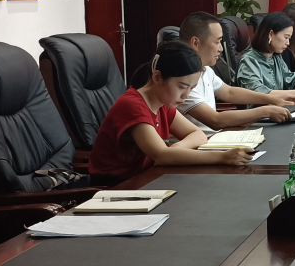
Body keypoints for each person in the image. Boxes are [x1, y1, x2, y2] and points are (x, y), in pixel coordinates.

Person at [89, 42, 253, 182]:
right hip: (118, 187)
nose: (186, 95)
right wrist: (224, 157)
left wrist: (176, 149)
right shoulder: (132, 105)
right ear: (157, 77)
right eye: (182, 87)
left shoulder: (163, 102)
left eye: (192, 88)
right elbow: (161, 156)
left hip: (150, 178)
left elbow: (198, 134)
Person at [178, 11, 295, 132]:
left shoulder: (206, 70)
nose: (221, 49)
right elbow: (215, 120)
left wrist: (271, 99)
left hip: (217, 137)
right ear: (196, 43)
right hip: (204, 141)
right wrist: (266, 111)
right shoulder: (182, 79)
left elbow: (229, 92)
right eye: (217, 42)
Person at [237, 12, 295, 97]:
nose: (288, 43)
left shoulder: (276, 57)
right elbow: (257, 93)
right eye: (286, 37)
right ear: (271, 34)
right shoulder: (249, 61)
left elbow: (290, 80)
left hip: (280, 105)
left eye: (289, 38)